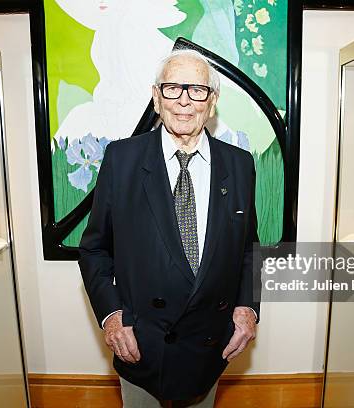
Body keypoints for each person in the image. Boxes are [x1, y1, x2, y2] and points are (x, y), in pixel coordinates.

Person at [79, 49, 260, 407]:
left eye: (196, 90)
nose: (184, 101)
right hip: (142, 347)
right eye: (173, 88)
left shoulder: (239, 165)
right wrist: (112, 316)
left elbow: (248, 248)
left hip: (209, 348)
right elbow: (94, 249)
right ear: (156, 96)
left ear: (212, 101)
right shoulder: (122, 159)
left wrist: (247, 307)